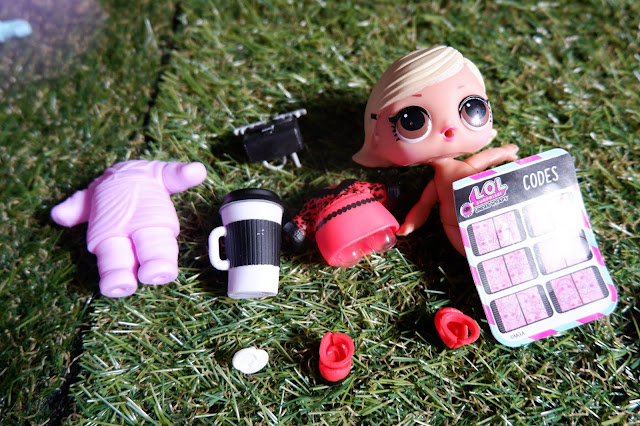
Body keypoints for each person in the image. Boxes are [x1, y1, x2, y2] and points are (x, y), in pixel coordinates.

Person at [353, 45, 519, 254]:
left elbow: (488, 157)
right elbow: (424, 205)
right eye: (412, 122)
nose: (450, 129)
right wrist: (410, 225)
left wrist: (506, 151)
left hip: (489, 210)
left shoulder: (463, 170)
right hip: (454, 224)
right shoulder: (438, 184)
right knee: (474, 253)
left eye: (472, 108)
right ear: (376, 132)